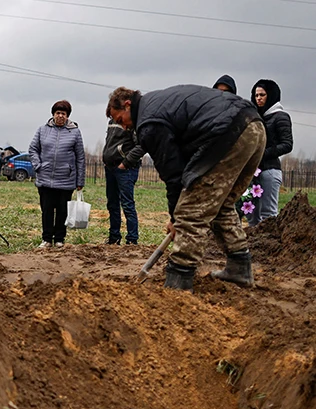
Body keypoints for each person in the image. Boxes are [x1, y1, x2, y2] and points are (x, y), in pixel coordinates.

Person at [107, 85, 265, 291]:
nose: (125, 127)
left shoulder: (149, 122)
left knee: (192, 211)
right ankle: (239, 268)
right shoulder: (155, 105)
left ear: (127, 105)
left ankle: (178, 281)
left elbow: (173, 176)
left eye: (121, 120)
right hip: (254, 127)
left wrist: (176, 218)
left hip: (229, 132)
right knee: (221, 204)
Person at [29, 100, 86, 248]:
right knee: (47, 210)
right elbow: (33, 149)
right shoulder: (42, 130)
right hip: (45, 178)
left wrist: (80, 181)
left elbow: (80, 157)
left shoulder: (75, 132)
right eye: (58, 113)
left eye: (63, 114)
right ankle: (46, 239)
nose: (60, 116)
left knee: (62, 211)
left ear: (67, 116)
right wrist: (38, 166)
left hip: (66, 180)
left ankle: (59, 239)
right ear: (53, 114)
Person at [247, 79, 292, 227]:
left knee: (268, 215)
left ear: (271, 95)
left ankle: (270, 248)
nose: (258, 98)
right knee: (251, 214)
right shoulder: (255, 117)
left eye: (262, 94)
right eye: (256, 95)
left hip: (270, 171)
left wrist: (262, 153)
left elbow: (287, 145)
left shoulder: (280, 116)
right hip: (253, 172)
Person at [102, 112, 144, 245]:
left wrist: (125, 163)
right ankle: (114, 237)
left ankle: (132, 239)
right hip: (110, 167)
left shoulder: (132, 122)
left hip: (126, 169)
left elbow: (141, 146)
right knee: (112, 203)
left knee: (127, 204)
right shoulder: (111, 122)